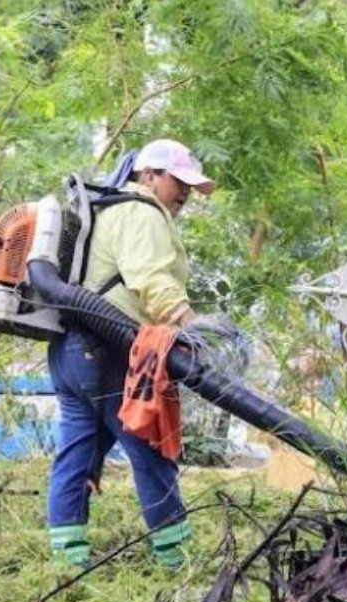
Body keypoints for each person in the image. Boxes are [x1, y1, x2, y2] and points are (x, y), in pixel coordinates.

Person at [46, 139, 215, 568]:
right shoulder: (142, 212)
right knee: (151, 449)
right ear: (149, 175)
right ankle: (177, 562)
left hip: (71, 350)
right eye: (179, 182)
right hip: (112, 353)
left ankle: (67, 562)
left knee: (77, 454)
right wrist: (192, 328)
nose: (185, 194)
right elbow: (151, 280)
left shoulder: (106, 210)